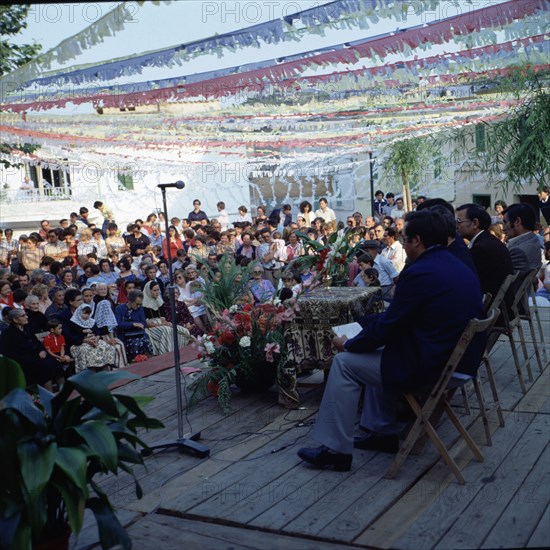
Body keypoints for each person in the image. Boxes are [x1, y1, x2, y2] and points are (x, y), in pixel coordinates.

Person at [297, 210, 485, 471]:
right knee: (376, 349)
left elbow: (391, 326)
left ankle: (336, 450)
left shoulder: (420, 272)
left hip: (436, 365)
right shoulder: (457, 265)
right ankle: (381, 432)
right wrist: (363, 329)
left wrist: (349, 343)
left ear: (417, 240)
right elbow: (398, 320)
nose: (402, 245)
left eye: (405, 239)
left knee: (344, 363)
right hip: (457, 359)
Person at [455, 203, 514, 300]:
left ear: (475, 223)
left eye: (459, 221)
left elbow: (469, 282)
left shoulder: (481, 248)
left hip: (489, 306)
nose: (456, 226)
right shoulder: (488, 241)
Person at [0, 308, 65, 391]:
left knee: (55, 363)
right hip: (24, 361)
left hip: (37, 356)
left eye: (26, 315)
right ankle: (50, 397)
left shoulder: (27, 329)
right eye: (23, 316)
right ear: (15, 320)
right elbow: (8, 353)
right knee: (44, 368)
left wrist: (42, 351)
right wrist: (33, 357)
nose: (26, 317)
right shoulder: (7, 334)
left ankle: (63, 392)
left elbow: (37, 343)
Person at [141, 280, 191, 355]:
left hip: (161, 324)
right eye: (154, 290)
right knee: (167, 330)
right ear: (149, 291)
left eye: (158, 290)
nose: (157, 292)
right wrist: (162, 325)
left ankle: (180, 351)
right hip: (151, 327)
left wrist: (166, 323)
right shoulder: (143, 305)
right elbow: (147, 324)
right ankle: (167, 353)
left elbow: (163, 317)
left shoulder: (160, 301)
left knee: (182, 330)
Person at [69, 304, 115, 372]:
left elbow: (97, 331)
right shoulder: (73, 322)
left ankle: (104, 368)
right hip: (81, 342)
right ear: (79, 312)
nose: (87, 315)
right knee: (87, 350)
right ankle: (90, 372)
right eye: (85, 313)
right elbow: (73, 337)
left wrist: (97, 338)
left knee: (106, 347)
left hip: (94, 340)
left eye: (88, 314)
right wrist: (87, 340)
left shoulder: (92, 321)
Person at [503, 203, 543, 273]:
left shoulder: (518, 250)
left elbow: (505, 279)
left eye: (505, 222)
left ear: (517, 221)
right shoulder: (533, 238)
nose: (503, 228)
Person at [115, 289, 154, 360]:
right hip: (125, 334)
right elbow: (118, 324)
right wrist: (133, 324)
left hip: (138, 333)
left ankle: (148, 359)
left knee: (145, 338)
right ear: (130, 301)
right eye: (137, 304)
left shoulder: (140, 309)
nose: (138, 306)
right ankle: (135, 360)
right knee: (136, 342)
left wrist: (137, 325)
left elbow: (144, 323)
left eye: (140, 304)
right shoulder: (120, 308)